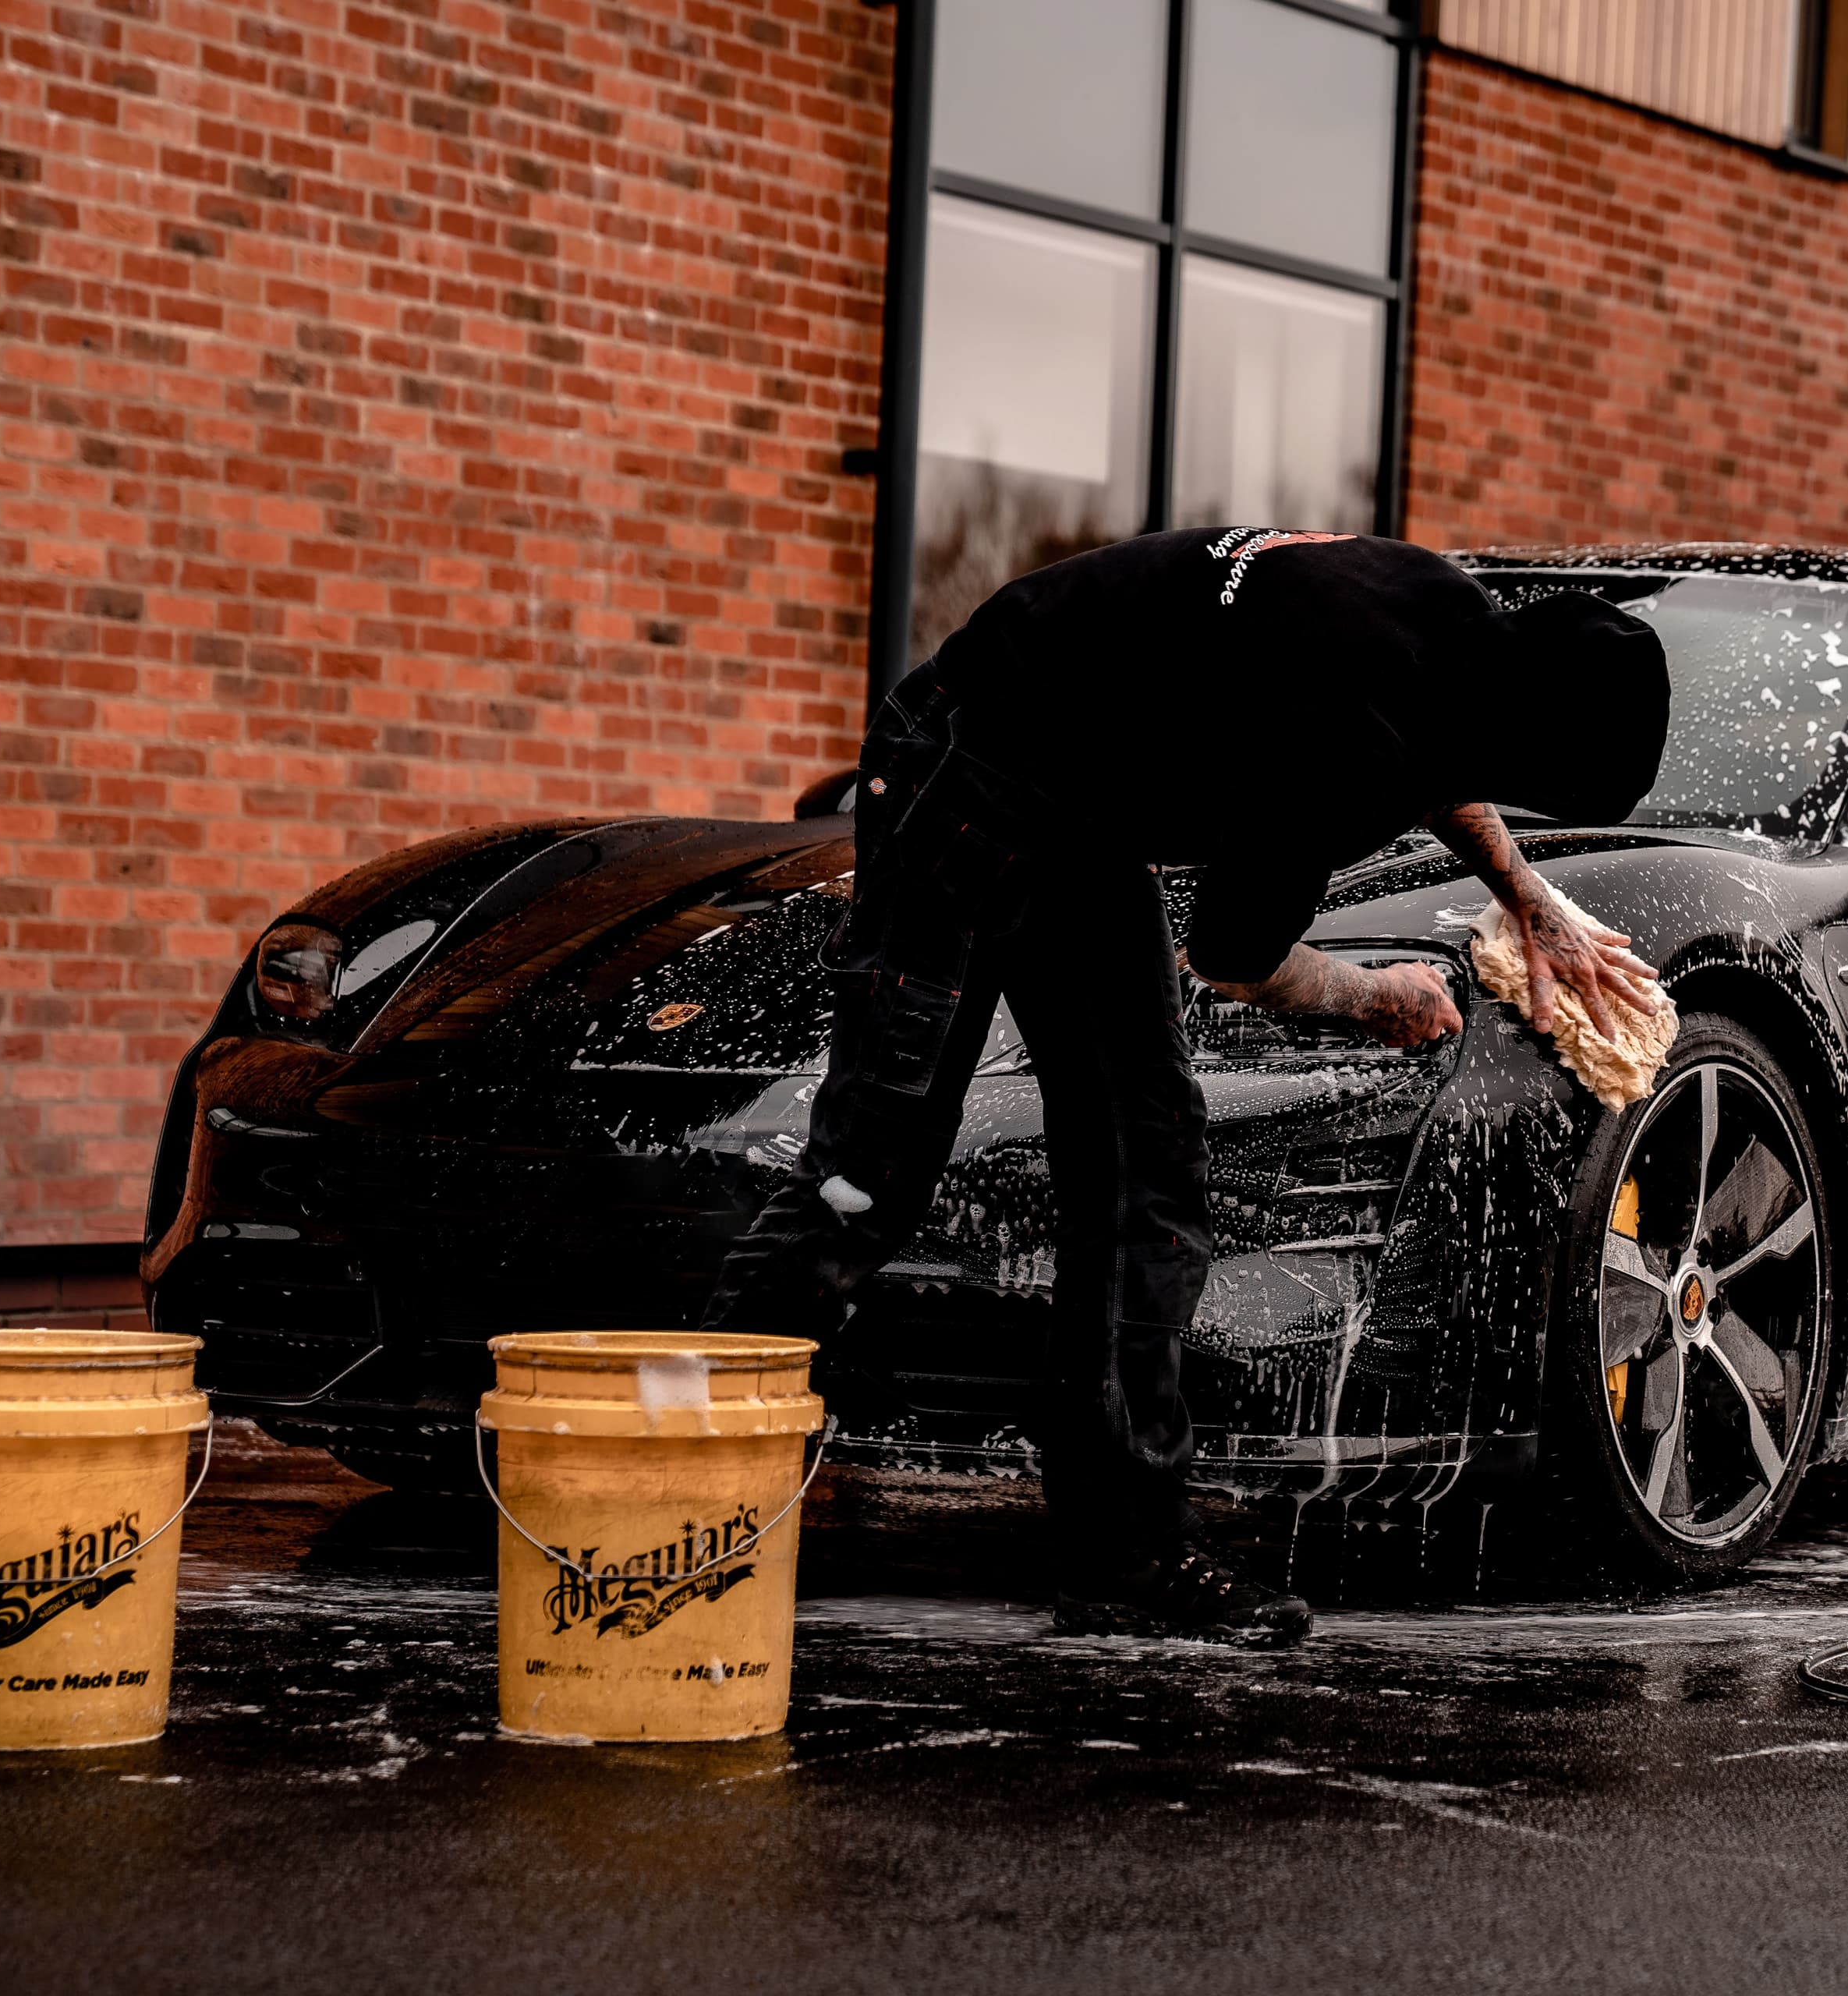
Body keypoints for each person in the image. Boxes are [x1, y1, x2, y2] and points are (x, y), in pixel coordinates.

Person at [704, 528, 1671, 1645]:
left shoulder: (1442, 607)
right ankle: (683, 1503)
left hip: (1076, 805)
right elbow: (1236, 958)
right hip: (961, 767)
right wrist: (1376, 996)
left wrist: (1526, 896)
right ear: (1525, 748)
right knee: (869, 1172)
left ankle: (1128, 1556)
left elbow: (1443, 747)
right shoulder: (1347, 743)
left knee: (1143, 1164)